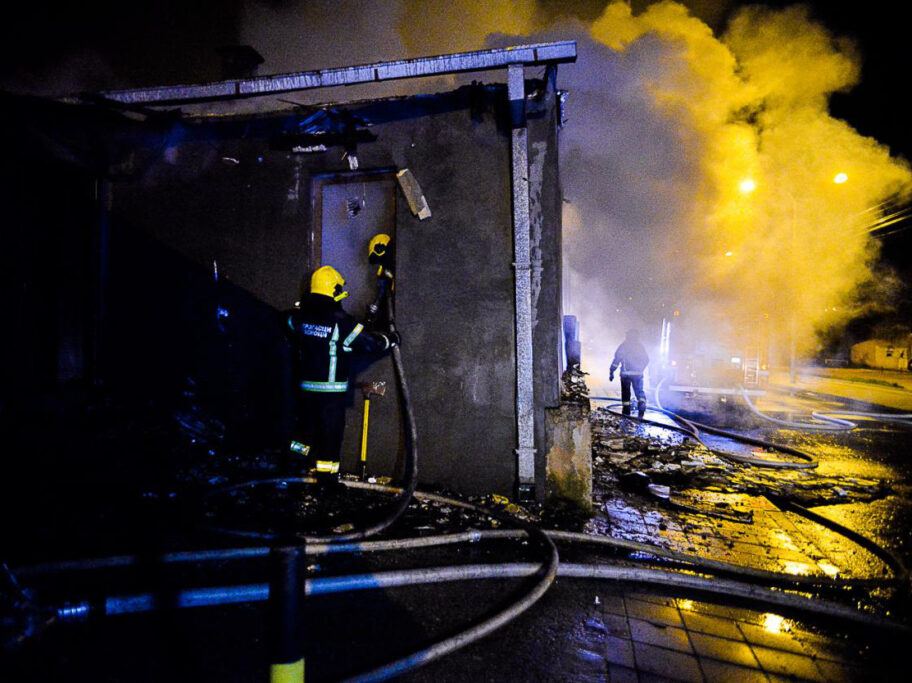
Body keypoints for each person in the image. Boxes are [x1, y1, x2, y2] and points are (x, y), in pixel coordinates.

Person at [285, 265, 399, 489]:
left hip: (306, 391)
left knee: (303, 434)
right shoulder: (342, 321)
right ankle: (327, 483)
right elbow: (371, 343)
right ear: (334, 291)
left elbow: (287, 321)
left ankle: (290, 472)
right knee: (330, 436)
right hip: (331, 394)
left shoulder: (300, 317)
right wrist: (393, 338)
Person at [609, 329, 649, 417]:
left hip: (625, 374)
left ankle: (626, 410)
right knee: (639, 391)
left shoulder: (623, 346)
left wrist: (611, 371)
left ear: (627, 336)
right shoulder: (640, 347)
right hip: (638, 374)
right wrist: (640, 369)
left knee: (626, 392)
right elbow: (646, 359)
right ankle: (642, 403)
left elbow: (616, 360)